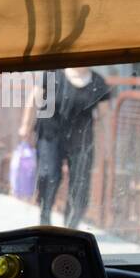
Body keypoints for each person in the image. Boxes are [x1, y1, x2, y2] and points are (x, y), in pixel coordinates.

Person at [18, 66, 113, 227]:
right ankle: (45, 218)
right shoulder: (52, 75)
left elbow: (105, 115)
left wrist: (108, 145)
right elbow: (33, 100)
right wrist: (25, 126)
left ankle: (71, 226)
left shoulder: (98, 82)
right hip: (50, 134)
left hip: (81, 139)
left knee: (80, 183)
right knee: (50, 175)